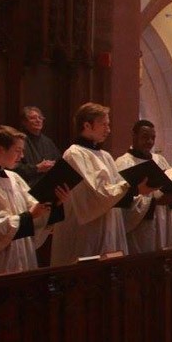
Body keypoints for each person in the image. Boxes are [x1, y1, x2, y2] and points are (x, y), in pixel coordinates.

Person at [50, 103, 155, 265]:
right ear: (87, 125)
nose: (109, 129)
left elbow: (116, 192)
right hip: (85, 231)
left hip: (107, 226)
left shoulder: (105, 156)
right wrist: (134, 188)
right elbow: (98, 194)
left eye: (109, 124)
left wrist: (138, 189)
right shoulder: (74, 154)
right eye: (104, 124)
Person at [0, 126, 69, 278]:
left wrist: (54, 203)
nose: (22, 156)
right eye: (17, 151)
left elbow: (33, 208)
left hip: (22, 254)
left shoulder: (15, 178)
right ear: (0, 149)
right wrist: (28, 217)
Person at [115, 120, 172, 254]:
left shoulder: (160, 160)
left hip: (162, 222)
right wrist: (154, 201)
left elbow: (170, 185)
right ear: (134, 136)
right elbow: (122, 201)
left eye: (153, 138)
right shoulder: (123, 163)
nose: (150, 141)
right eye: (145, 137)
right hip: (141, 228)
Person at [13, 106, 60, 186]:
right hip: (26, 187)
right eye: (33, 118)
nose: (38, 120)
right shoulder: (18, 141)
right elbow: (13, 168)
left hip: (48, 186)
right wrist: (37, 168)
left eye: (40, 118)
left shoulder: (48, 142)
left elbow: (59, 162)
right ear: (24, 122)